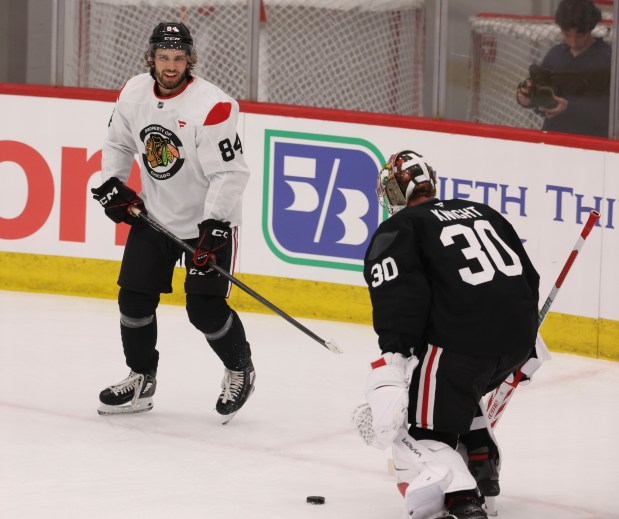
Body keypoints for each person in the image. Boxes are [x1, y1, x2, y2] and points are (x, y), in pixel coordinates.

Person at [353, 150, 540, 518]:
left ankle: (461, 498)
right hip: (520, 341)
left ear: (394, 191)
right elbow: (527, 279)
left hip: (464, 347)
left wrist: (391, 362)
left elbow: (400, 301)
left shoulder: (399, 228)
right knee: (452, 389)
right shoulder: (484, 212)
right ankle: (482, 458)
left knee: (422, 425)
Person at [91, 22, 255, 423]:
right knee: (133, 300)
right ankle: (141, 378)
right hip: (155, 217)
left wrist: (214, 226)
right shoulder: (133, 92)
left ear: (189, 60)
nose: (170, 65)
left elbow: (230, 174)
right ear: (152, 57)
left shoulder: (213, 106)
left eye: (178, 58)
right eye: (163, 57)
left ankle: (240, 369)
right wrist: (113, 184)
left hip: (207, 224)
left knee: (204, 310)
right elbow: (118, 143)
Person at [516, 0, 611, 138]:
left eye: (580, 36)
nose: (573, 42)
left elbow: (609, 112)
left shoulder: (608, 59)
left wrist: (569, 107)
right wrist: (528, 98)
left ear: (591, 28)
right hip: (553, 139)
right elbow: (543, 96)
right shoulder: (555, 54)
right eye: (567, 34)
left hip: (591, 145)